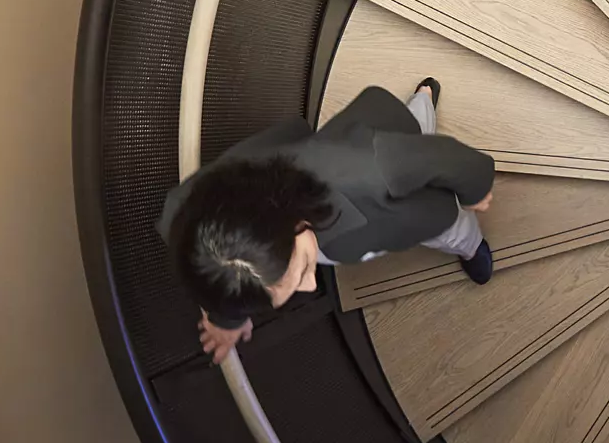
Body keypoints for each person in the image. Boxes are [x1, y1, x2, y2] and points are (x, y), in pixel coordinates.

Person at [159, 78, 495, 363]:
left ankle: (424, 103)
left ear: (294, 223)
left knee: (428, 163)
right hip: (339, 209)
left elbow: (447, 159)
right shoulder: (189, 222)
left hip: (397, 192)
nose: (311, 286)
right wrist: (229, 319)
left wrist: (474, 192)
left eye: (305, 268)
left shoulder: (372, 168)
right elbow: (224, 277)